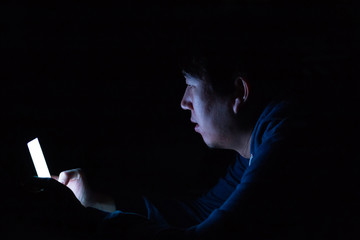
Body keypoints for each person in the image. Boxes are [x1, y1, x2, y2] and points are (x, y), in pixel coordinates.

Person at [22, 19, 358, 240]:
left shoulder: (288, 135)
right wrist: (94, 199)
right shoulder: (253, 149)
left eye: (191, 86)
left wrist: (82, 223)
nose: (184, 103)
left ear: (239, 92)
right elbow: (197, 213)